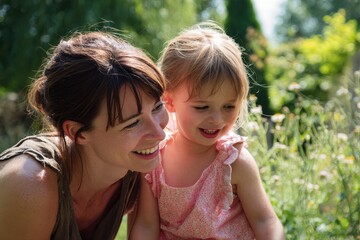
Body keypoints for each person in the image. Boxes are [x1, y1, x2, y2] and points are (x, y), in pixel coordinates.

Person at [0, 31, 169, 239]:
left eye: (157, 107)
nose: (159, 133)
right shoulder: (29, 186)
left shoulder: (137, 161)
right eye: (132, 123)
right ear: (76, 132)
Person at [129, 22, 285, 240]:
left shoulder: (233, 162)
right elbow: (146, 226)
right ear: (169, 100)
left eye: (229, 106)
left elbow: (265, 221)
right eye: (202, 107)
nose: (217, 119)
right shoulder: (154, 160)